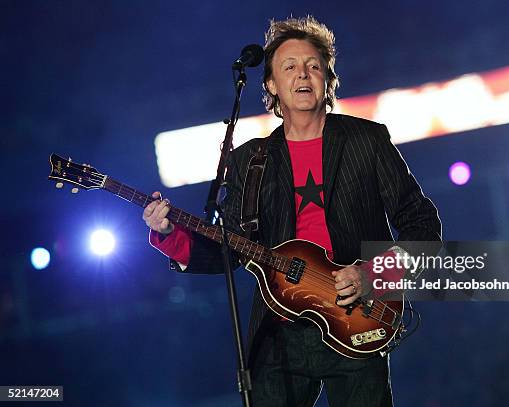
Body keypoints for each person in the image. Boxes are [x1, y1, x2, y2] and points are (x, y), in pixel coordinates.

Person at [143, 16, 441, 407]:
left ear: (328, 80)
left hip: (358, 320)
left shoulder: (367, 140)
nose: (303, 74)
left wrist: (372, 273)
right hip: (278, 335)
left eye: (313, 66)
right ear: (271, 85)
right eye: (290, 67)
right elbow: (232, 248)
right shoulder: (249, 159)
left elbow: (423, 226)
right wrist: (169, 235)